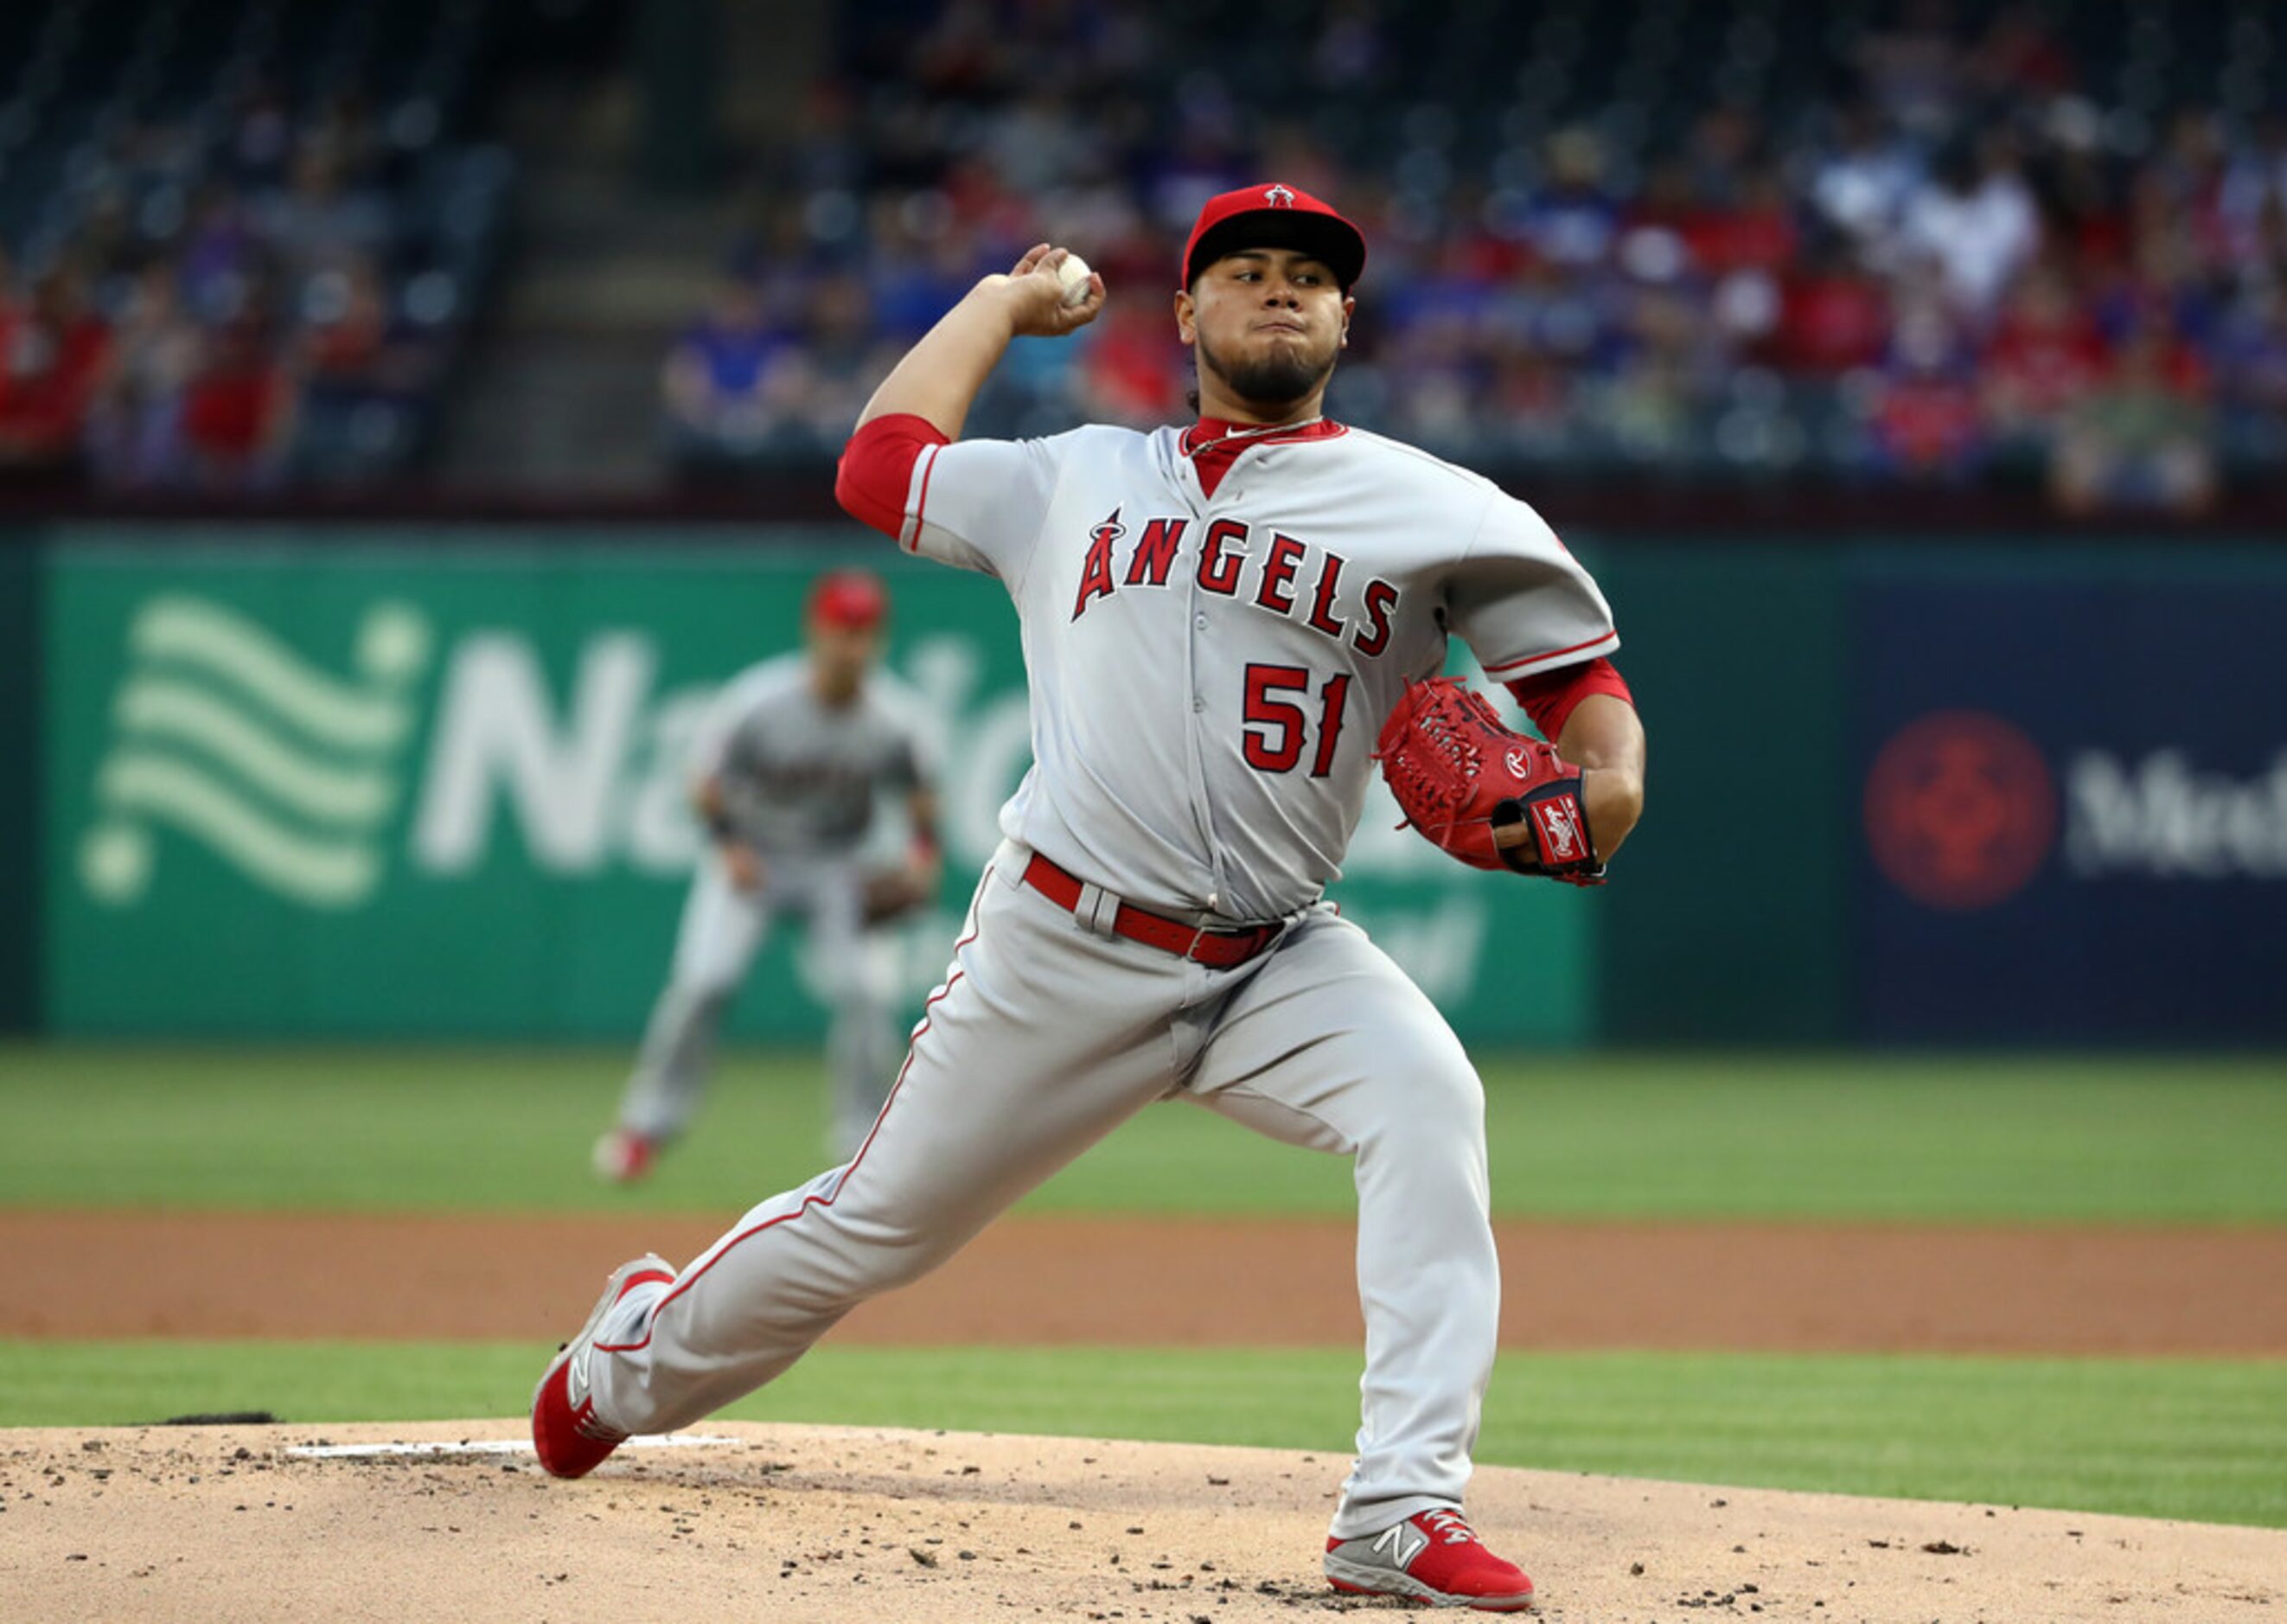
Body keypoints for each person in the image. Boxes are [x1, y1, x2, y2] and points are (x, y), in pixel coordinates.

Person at [533, 183, 1647, 1612]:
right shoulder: (1074, 476)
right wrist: (999, 303)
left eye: (1309, 274)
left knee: (1430, 1100)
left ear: (1347, 315)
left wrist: (1601, 795)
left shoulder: (1438, 508)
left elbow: (1585, 698)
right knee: (879, 1224)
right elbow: (879, 466)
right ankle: (627, 1353)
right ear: (1184, 314)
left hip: (1275, 959)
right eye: (1243, 270)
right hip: (1065, 939)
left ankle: (1399, 1505)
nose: (1280, 290)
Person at [592, 567, 942, 1180]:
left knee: (864, 993)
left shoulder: (894, 718)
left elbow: (919, 793)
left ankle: (861, 1146)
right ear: (816, 629)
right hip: (754, 860)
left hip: (837, 866)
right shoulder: (761, 701)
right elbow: (705, 782)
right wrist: (728, 846)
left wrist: (921, 857)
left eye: (864, 631)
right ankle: (644, 1127)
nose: (851, 645)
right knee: (705, 982)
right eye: (841, 629)